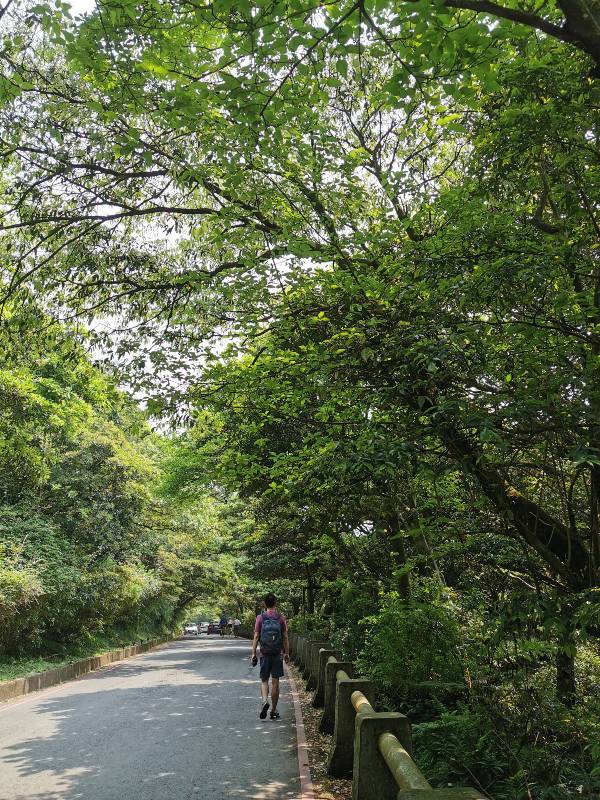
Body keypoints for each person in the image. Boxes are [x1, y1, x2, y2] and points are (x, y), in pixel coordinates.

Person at [251, 593, 289, 720]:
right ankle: (273, 710)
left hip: (265, 653)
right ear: (275, 603)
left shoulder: (260, 618)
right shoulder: (281, 618)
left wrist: (253, 653)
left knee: (264, 680)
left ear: (264, 604)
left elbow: (256, 636)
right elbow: (285, 636)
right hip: (277, 654)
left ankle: (264, 701)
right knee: (276, 681)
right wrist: (286, 653)